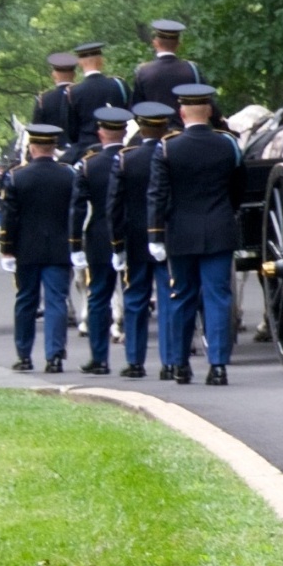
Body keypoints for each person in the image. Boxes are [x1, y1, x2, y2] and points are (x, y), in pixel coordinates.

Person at [147, 81, 242, 386]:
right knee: (218, 297)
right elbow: (236, 190)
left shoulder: (167, 147)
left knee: (181, 297)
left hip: (181, 233)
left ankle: (179, 363)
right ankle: (218, 366)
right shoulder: (228, 144)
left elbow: (157, 196)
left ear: (181, 112)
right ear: (210, 111)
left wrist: (155, 235)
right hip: (218, 228)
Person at [0, 122, 76, 373]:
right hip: (59, 248)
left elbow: (10, 217)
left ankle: (24, 354)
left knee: (25, 302)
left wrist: (7, 248)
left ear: (31, 147)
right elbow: (76, 213)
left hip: (26, 249)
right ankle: (54, 356)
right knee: (56, 303)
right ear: (53, 147)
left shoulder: (16, 176)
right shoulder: (69, 174)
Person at [109, 101, 175, 379]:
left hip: (135, 238)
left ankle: (135, 360)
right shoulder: (172, 155)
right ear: (164, 127)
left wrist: (117, 244)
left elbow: (113, 206)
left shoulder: (125, 159)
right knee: (168, 298)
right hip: (168, 234)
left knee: (135, 298)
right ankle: (170, 360)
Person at [69, 105, 132, 376]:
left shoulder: (88, 164)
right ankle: (135, 359)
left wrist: (74, 244)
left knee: (98, 297)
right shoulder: (136, 159)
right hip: (132, 235)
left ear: (100, 132)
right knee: (135, 294)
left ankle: (99, 358)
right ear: (125, 132)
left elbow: (78, 207)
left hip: (98, 236)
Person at [66, 42, 129, 160]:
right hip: (119, 146)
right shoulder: (118, 85)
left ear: (80, 63)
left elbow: (72, 131)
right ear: (101, 61)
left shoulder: (73, 92)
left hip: (85, 151)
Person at [131, 19, 208, 116]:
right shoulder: (191, 69)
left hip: (155, 129)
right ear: (178, 45)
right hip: (186, 129)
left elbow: (137, 108)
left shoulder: (143, 71)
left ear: (155, 43)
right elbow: (206, 101)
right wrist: (222, 125)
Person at [33, 53, 79, 138]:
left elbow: (37, 132)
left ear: (54, 75)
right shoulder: (82, 95)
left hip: (52, 148)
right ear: (74, 74)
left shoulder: (43, 99)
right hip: (81, 149)